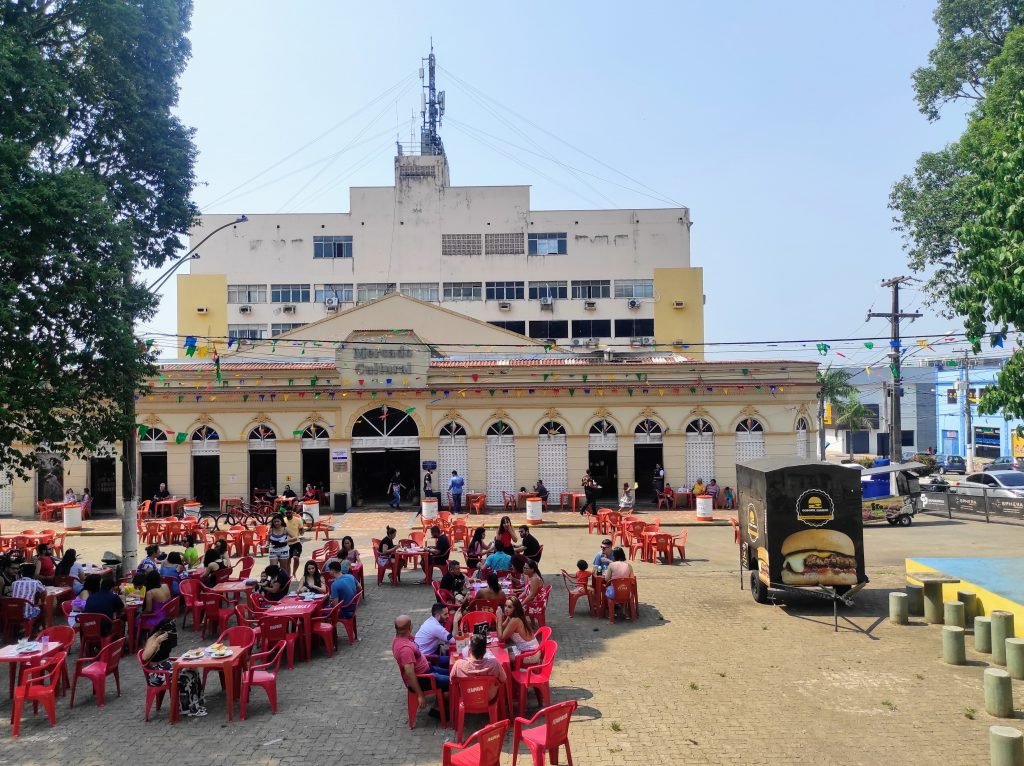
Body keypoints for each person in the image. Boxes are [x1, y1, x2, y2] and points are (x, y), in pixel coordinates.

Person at [141, 622, 207, 717]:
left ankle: (197, 703)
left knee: (192, 670)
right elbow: (144, 657)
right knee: (186, 676)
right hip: (156, 674)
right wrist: (156, 643)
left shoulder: (167, 638)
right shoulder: (153, 638)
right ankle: (187, 708)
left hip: (166, 666)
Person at [393, 614, 448, 719]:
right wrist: (420, 695)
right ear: (410, 627)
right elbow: (409, 673)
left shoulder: (400, 638)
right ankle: (439, 709)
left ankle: (441, 702)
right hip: (424, 678)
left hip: (427, 669)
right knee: (453, 680)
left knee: (452, 671)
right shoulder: (405, 649)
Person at [451, 634, 507, 702]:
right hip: (489, 699)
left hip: (468, 699)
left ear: (470, 650)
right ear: (485, 651)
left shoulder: (458, 665)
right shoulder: (495, 664)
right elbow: (503, 679)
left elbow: (452, 681)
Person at [495, 596, 539, 663]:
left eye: (509, 607)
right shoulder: (510, 617)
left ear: (515, 609)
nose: (506, 609)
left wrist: (499, 619)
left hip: (531, 654)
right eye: (505, 606)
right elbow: (501, 628)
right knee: (500, 652)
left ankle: (509, 672)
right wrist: (499, 620)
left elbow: (501, 638)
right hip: (522, 649)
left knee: (501, 659)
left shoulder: (515, 620)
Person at [605, 546, 635, 613]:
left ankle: (611, 611)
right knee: (624, 587)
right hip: (626, 592)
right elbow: (632, 579)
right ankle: (624, 611)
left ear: (614, 555)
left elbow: (607, 579)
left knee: (606, 588)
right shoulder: (629, 565)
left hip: (614, 593)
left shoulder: (611, 565)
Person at [284, 508, 303, 577]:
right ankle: (288, 576)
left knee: (296, 558)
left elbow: (301, 531)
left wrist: (301, 534)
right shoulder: (283, 520)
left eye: (289, 513)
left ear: (292, 512)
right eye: (287, 513)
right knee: (287, 561)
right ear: (285, 513)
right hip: (286, 544)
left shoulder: (298, 520)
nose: (288, 514)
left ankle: (294, 572)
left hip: (296, 543)